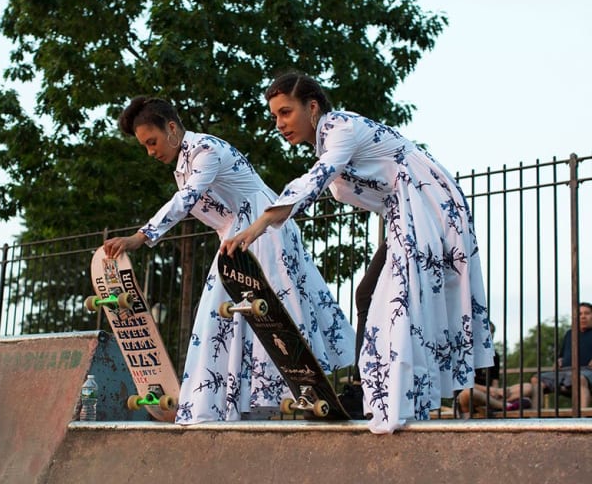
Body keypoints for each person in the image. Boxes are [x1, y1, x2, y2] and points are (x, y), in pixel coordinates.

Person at [222, 71, 495, 433]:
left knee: (393, 299)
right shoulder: (330, 140)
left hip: (427, 205)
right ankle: (372, 389)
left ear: (313, 107)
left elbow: (318, 177)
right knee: (372, 294)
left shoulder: (339, 128)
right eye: (275, 116)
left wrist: (259, 225)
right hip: (408, 211)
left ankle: (376, 391)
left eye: (285, 112)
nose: (279, 123)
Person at [104, 96, 355, 424]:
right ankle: (228, 406)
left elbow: (187, 199)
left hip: (262, 231)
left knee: (273, 312)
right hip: (235, 239)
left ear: (171, 128)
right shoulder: (184, 164)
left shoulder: (205, 150)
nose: (150, 151)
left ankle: (297, 398)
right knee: (225, 317)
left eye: (152, 142)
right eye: (144, 146)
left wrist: (142, 235)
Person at [516, 302, 592, 408]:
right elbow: (561, 355)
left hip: (586, 371)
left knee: (580, 379)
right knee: (536, 380)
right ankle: (535, 418)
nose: (583, 316)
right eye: (580, 314)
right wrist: (559, 361)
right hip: (564, 372)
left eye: (587, 313)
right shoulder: (570, 333)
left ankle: (582, 418)